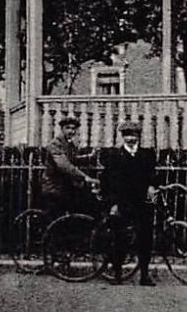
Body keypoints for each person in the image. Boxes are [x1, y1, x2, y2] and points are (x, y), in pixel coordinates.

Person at [100, 121, 158, 286]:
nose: (130, 138)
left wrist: (153, 188)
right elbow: (107, 181)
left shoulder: (147, 155)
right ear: (122, 137)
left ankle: (145, 275)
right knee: (119, 239)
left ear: (139, 136)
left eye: (133, 135)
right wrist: (112, 204)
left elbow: (153, 176)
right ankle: (117, 274)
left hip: (143, 203)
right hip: (122, 203)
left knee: (145, 239)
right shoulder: (114, 156)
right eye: (127, 135)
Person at [40, 117, 99, 221]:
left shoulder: (69, 144)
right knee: (56, 220)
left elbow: (73, 159)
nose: (71, 131)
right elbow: (64, 165)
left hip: (66, 186)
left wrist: (89, 157)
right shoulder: (54, 144)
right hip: (54, 188)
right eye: (68, 128)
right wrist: (85, 177)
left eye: (73, 128)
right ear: (62, 129)